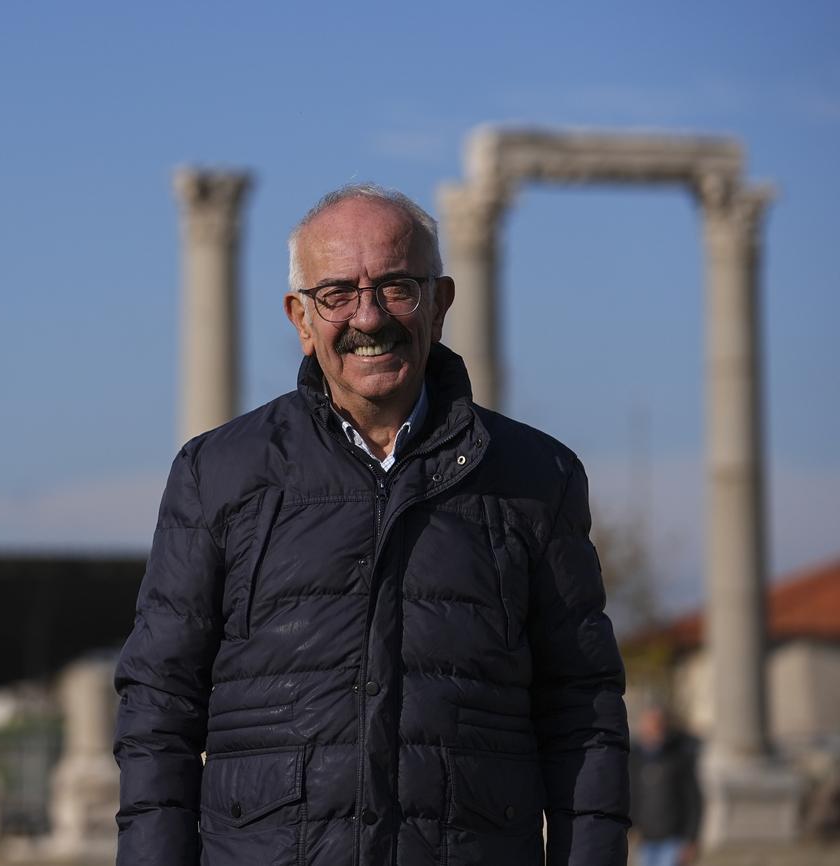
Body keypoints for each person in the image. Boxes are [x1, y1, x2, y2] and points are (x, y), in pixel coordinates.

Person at [114, 184, 630, 866]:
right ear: (300, 317)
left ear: (440, 303)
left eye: (396, 287)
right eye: (336, 294)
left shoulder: (539, 479)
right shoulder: (218, 474)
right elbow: (159, 704)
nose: (368, 316)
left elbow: (583, 711)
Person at [630, 704, 702, 866]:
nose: (653, 728)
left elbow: (693, 800)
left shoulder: (679, 758)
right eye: (649, 723)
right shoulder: (635, 759)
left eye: (658, 723)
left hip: (673, 840)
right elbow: (632, 795)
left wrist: (691, 838)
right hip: (645, 840)